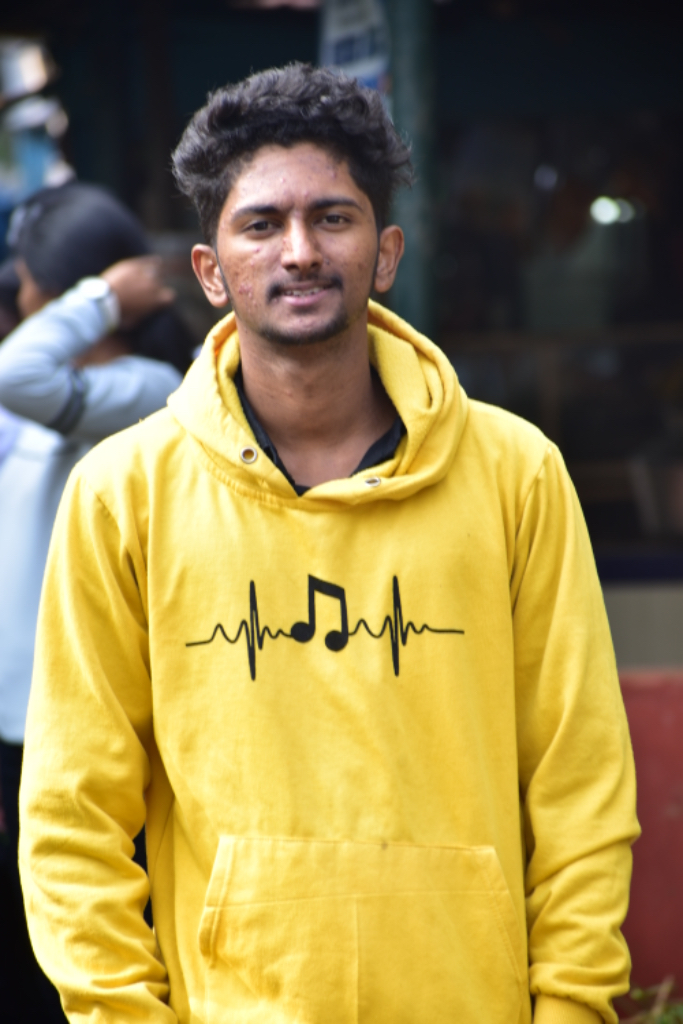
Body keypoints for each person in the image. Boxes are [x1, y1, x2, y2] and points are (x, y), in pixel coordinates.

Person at [19, 64, 638, 1024]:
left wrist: (569, 1008)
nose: (299, 251)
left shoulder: (517, 474)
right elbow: (72, 815)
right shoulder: (124, 492)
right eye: (261, 223)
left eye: (333, 218)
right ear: (210, 269)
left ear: (385, 252)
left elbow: (579, 784)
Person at [0, 182, 194, 1022]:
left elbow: (17, 369)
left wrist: (100, 296)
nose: (19, 290)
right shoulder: (64, 389)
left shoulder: (148, 390)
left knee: (75, 925)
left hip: (76, 715)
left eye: (32, 275)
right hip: (17, 717)